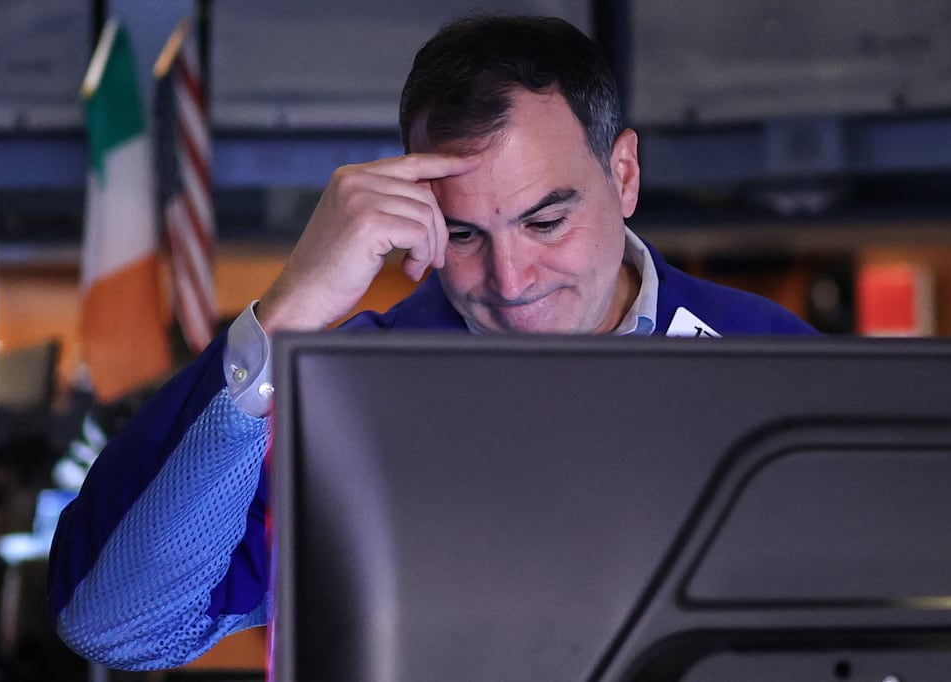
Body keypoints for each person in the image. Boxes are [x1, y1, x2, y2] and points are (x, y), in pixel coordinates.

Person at [47, 13, 815, 671]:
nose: (511, 281)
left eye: (546, 220)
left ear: (624, 173)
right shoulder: (345, 394)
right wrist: (287, 316)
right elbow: (122, 626)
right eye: (465, 234)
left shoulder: (771, 356)